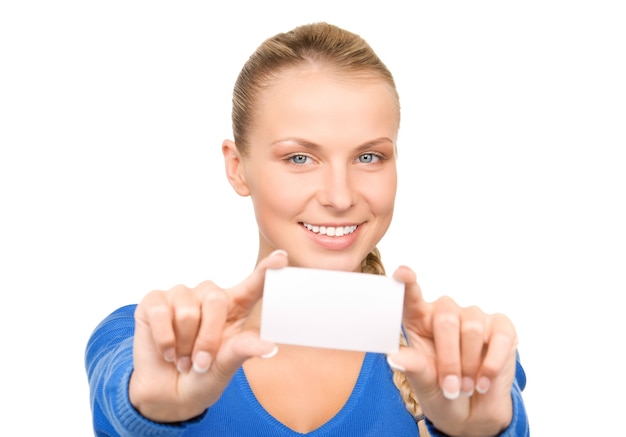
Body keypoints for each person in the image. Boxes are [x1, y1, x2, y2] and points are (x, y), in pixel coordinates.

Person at [85, 22, 529, 436]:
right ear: (237, 168)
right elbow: (121, 381)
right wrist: (152, 408)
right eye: (300, 158)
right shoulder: (147, 337)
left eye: (369, 157)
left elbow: (492, 407)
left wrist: (476, 430)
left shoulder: (461, 355)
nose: (340, 196)